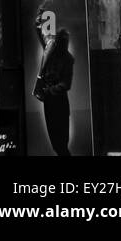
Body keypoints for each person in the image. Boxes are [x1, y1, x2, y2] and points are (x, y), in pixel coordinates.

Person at [35, 18, 74, 156]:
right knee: (56, 143)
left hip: (60, 102)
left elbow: (66, 84)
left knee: (61, 143)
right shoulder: (51, 50)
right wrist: (38, 24)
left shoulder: (68, 59)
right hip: (50, 102)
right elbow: (41, 36)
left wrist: (49, 90)